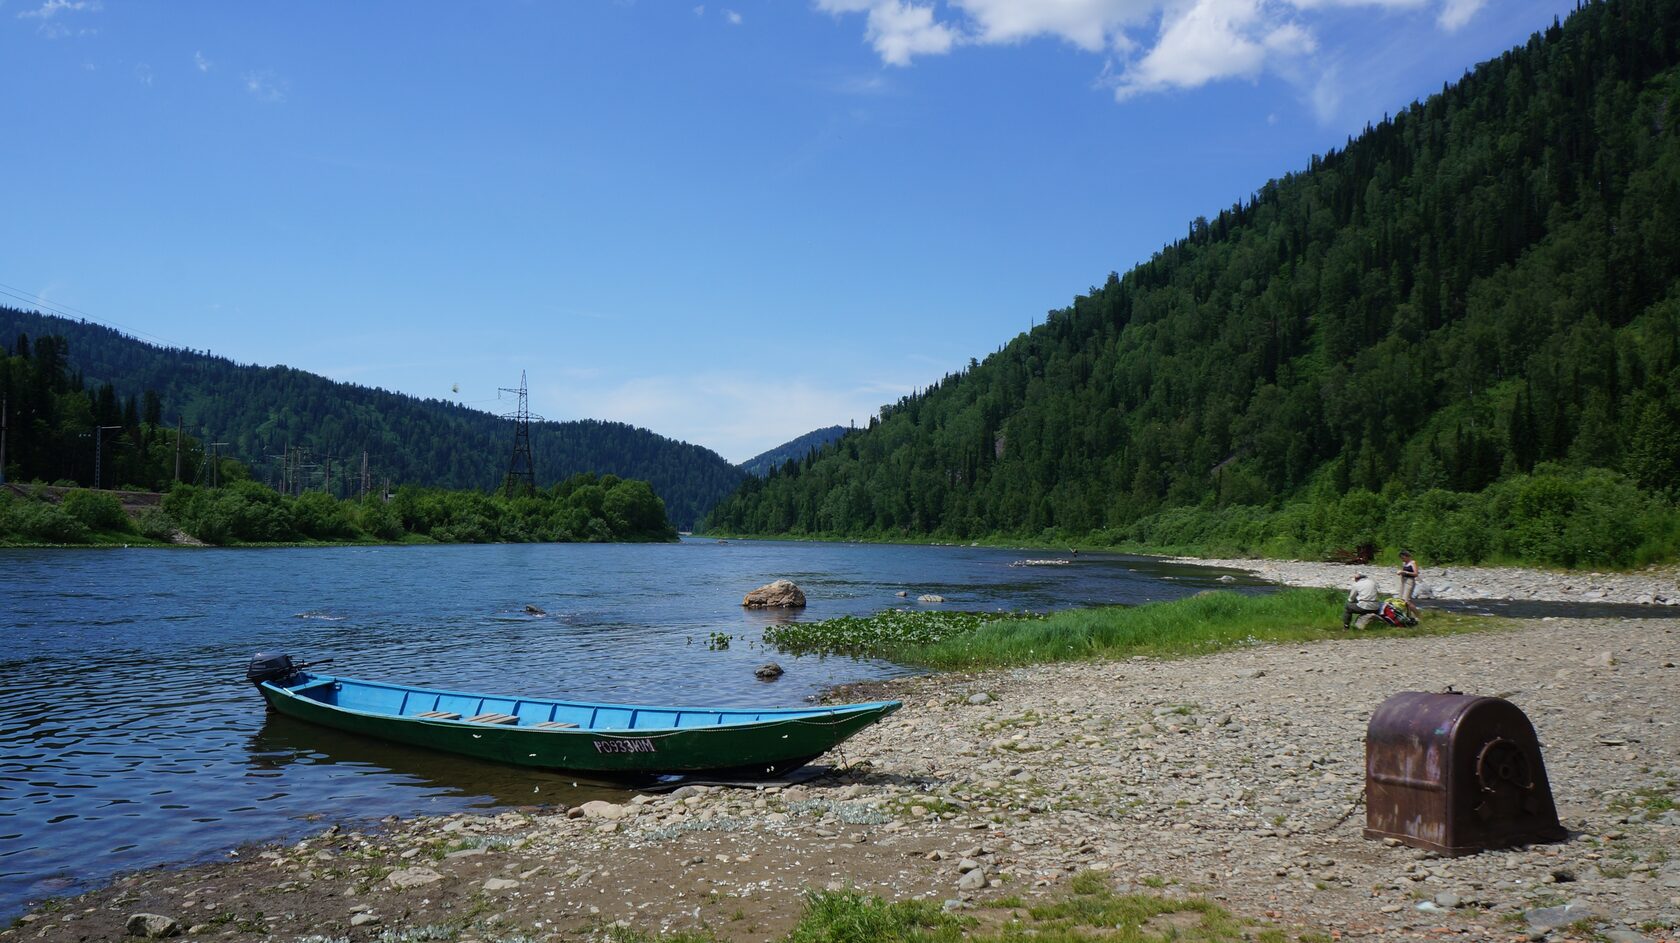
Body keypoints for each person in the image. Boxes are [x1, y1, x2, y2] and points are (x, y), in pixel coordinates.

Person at [1396, 551, 1420, 616]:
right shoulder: (1404, 563)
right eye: (1401, 558)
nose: (1402, 559)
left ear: (1407, 556)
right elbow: (1402, 571)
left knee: (1406, 601)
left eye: (1403, 558)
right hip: (1403, 581)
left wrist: (1406, 572)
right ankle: (1408, 615)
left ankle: (1418, 615)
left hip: (1409, 581)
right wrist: (1400, 573)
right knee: (1401, 600)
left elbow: (1416, 574)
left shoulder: (1413, 563)